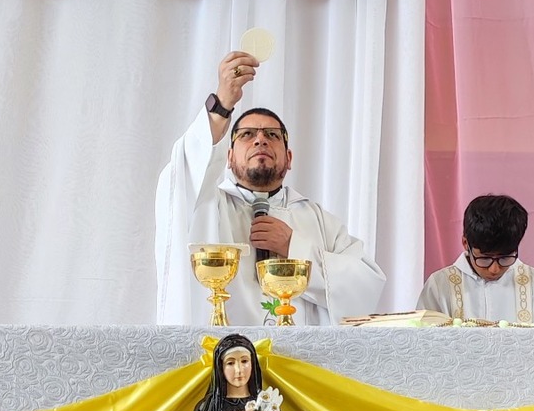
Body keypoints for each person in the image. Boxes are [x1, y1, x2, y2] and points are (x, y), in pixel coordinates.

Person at [155, 51, 386, 325]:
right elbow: (181, 176)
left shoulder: (317, 220)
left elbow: (366, 287)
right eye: (247, 134)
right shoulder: (206, 206)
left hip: (299, 361)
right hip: (228, 361)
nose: (260, 140)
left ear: (289, 158)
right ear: (228, 157)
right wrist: (221, 106)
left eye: (272, 135)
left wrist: (294, 246)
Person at [417, 196, 534, 325]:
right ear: (465, 243)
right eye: (485, 258)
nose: (494, 269)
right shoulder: (439, 286)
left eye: (505, 258)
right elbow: (424, 344)